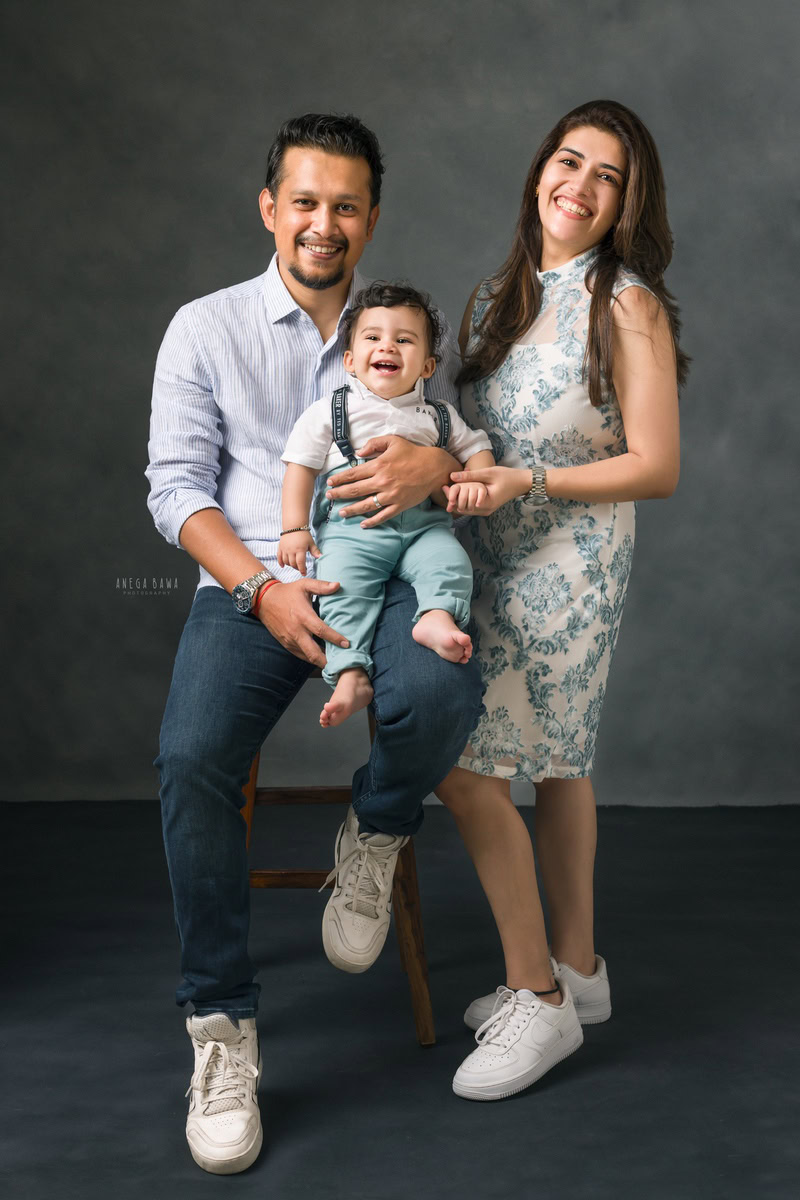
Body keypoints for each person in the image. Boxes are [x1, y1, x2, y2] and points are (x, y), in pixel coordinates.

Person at [145, 113, 483, 1174]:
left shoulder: (407, 337)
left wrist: (439, 476)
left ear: (369, 218)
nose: (322, 223)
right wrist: (259, 588)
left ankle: (373, 831)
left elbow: (462, 464)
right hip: (253, 584)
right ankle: (221, 1030)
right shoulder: (204, 328)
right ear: (269, 208)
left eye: (345, 205)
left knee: (436, 696)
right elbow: (175, 491)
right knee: (192, 758)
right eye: (304, 201)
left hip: (389, 575)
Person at [432, 99, 687, 1101]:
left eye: (605, 177)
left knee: (468, 767)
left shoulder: (623, 300)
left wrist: (523, 486)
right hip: (493, 554)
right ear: (538, 168)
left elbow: (656, 465)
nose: (576, 188)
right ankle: (578, 975)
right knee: (557, 761)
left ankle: (532, 999)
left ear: (626, 204)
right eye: (566, 162)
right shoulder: (500, 292)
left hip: (572, 562)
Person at [278, 280, 494, 730]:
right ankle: (351, 674)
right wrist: (294, 528)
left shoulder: (438, 416)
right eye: (373, 337)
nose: (388, 347)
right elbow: (299, 467)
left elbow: (477, 447)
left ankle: (434, 617)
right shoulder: (331, 410)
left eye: (404, 339)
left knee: (450, 562)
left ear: (428, 364)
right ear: (351, 361)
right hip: (353, 530)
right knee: (342, 589)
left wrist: (477, 478)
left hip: (424, 528)